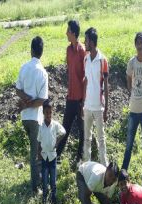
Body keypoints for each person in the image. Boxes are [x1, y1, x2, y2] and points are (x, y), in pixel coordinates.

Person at [121, 32, 142, 189]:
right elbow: (128, 79)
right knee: (128, 144)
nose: (139, 45)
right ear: (135, 45)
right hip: (133, 111)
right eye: (137, 42)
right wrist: (132, 92)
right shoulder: (131, 63)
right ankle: (123, 173)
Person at [14, 36, 48, 195]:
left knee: (36, 150)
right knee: (35, 154)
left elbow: (18, 90)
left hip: (24, 118)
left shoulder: (23, 67)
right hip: (35, 119)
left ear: (31, 50)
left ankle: (37, 180)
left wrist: (24, 103)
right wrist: (30, 103)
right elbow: (41, 100)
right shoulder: (43, 73)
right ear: (41, 52)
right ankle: (35, 188)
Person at [56, 20, 86, 165]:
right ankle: (56, 156)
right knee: (64, 129)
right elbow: (70, 72)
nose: (66, 33)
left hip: (80, 99)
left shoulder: (82, 51)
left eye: (68, 30)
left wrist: (84, 100)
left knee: (82, 130)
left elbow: (86, 76)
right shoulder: (68, 50)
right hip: (70, 97)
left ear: (74, 33)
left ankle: (79, 158)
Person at [82, 27, 109, 166]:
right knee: (87, 138)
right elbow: (86, 82)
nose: (84, 42)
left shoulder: (102, 60)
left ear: (91, 42)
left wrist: (107, 108)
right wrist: (82, 103)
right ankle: (86, 166)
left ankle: (105, 168)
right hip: (87, 106)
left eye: (86, 40)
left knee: (101, 139)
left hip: (99, 107)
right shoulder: (86, 59)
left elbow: (106, 86)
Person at [37, 101, 66, 204]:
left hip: (53, 157)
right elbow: (39, 141)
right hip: (44, 157)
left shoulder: (55, 125)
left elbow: (63, 132)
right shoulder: (41, 126)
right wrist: (38, 154)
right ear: (43, 113)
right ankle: (44, 199)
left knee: (53, 181)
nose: (48, 115)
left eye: (50, 112)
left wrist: (57, 141)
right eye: (46, 113)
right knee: (45, 180)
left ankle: (53, 199)